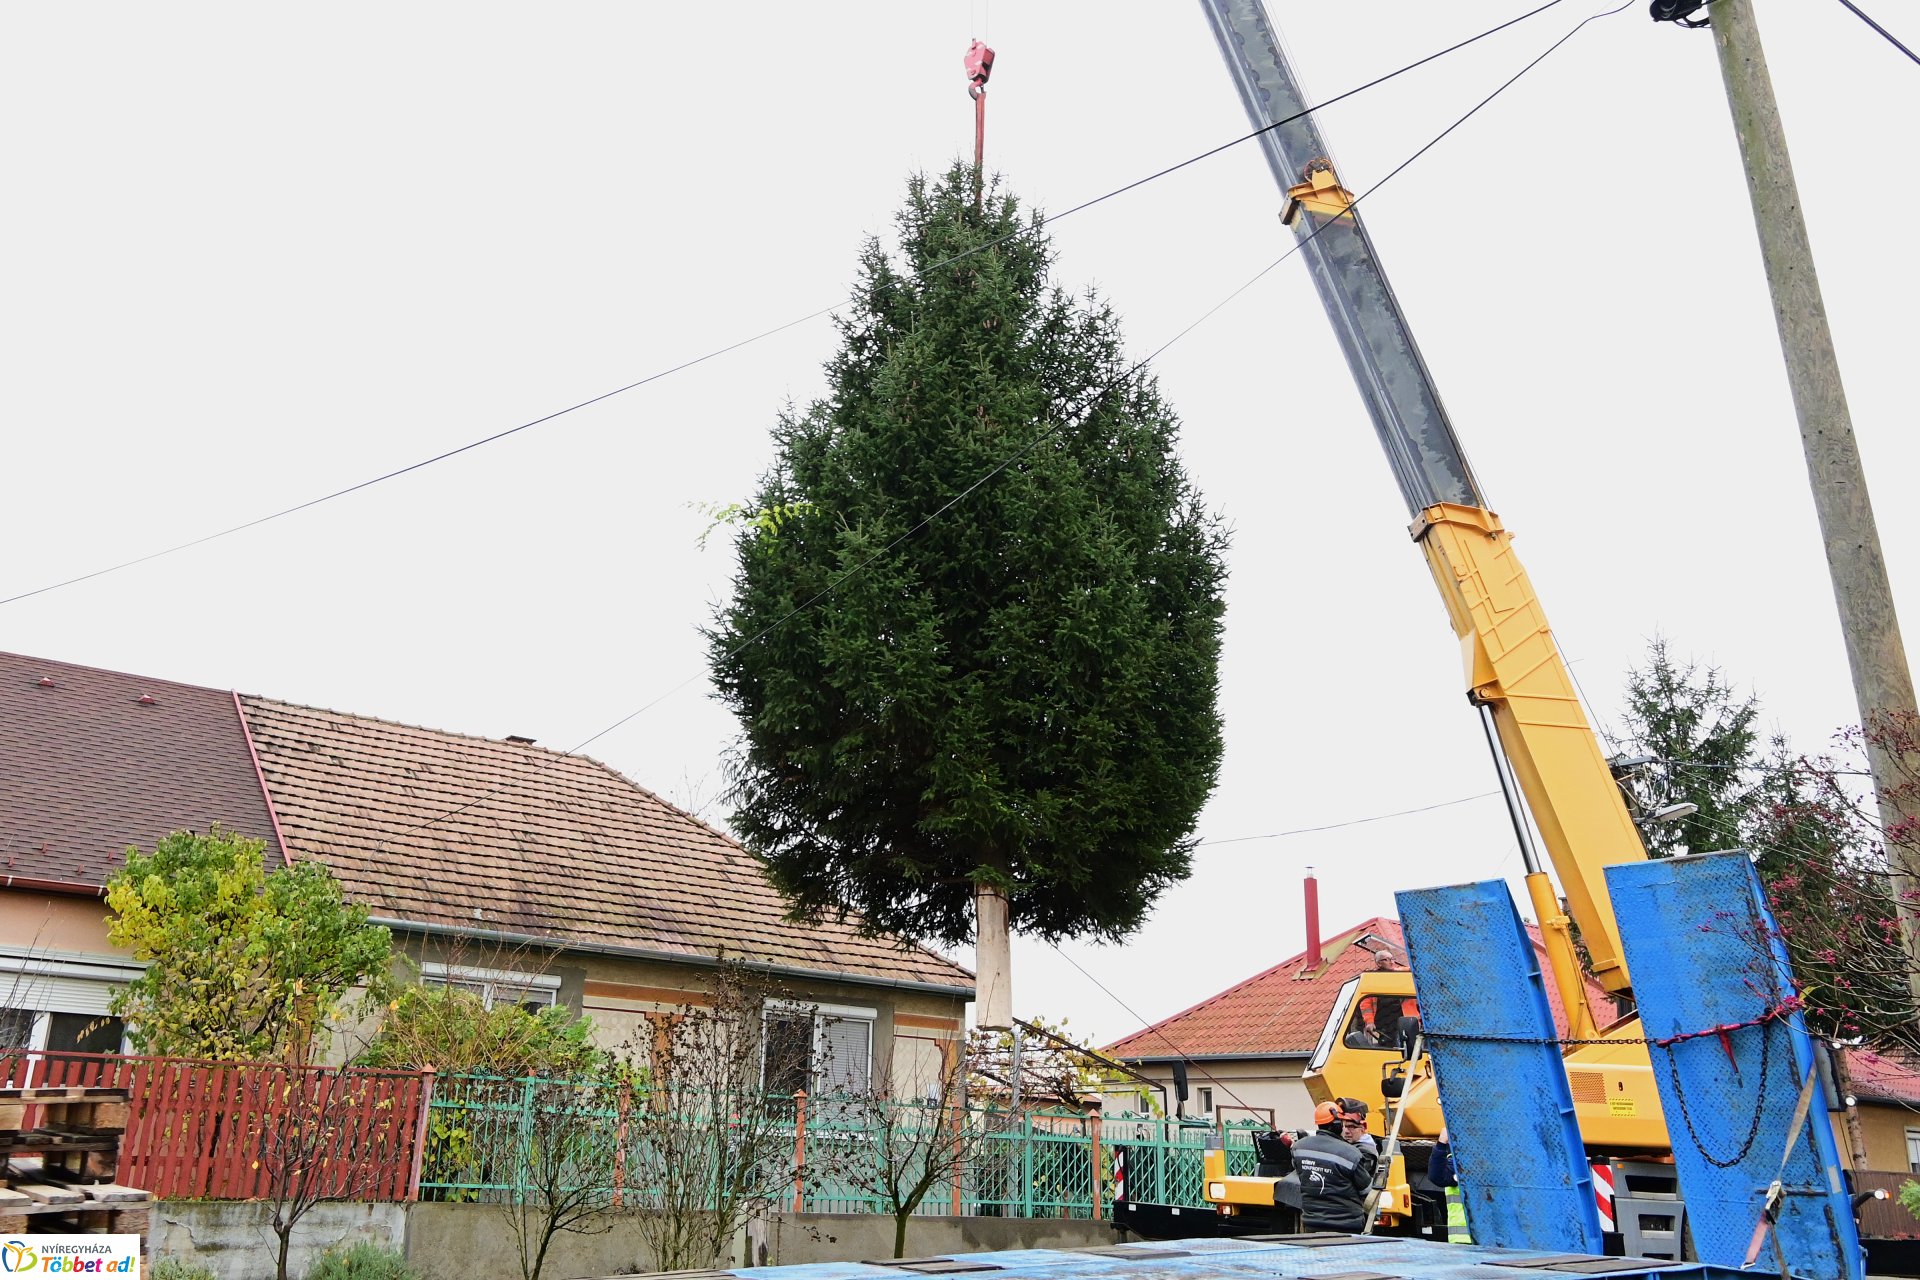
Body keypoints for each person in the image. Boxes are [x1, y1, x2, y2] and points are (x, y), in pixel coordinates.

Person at [1290, 1099, 1377, 1233]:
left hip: (1312, 1223)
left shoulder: (1298, 1148)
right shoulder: (1351, 1154)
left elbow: (1301, 1172)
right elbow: (1367, 1191)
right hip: (1346, 1225)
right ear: (1337, 1124)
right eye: (1343, 1123)